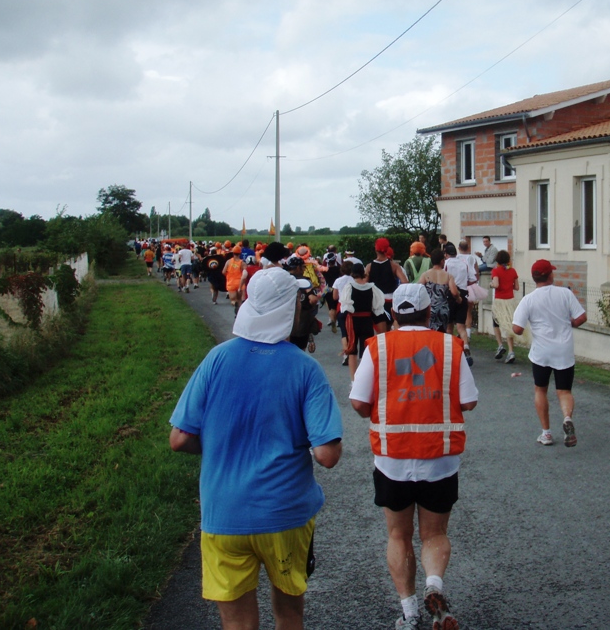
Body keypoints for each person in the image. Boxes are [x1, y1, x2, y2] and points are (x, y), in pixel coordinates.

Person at [169, 267, 343, 630]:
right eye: (297, 301)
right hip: (285, 514)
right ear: (287, 309)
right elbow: (327, 455)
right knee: (289, 615)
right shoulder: (305, 369)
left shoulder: (216, 359)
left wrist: (220, 443)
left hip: (224, 514)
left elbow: (180, 438)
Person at [349, 284, 478, 630]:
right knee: (434, 534)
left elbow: (359, 403)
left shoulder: (377, 348)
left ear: (394, 313)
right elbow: (468, 401)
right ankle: (434, 585)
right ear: (429, 313)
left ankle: (408, 612)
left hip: (392, 458)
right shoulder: (451, 346)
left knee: (398, 536)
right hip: (440, 457)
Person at [512, 259, 587, 447]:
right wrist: (570, 323)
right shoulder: (564, 293)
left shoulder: (528, 299)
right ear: (550, 275)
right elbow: (581, 317)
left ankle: (546, 433)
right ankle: (567, 418)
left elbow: (517, 329)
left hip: (541, 352)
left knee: (540, 389)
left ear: (534, 277)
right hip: (564, 350)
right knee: (564, 391)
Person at [340, 262, 386, 380]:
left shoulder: (349, 287)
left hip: (353, 322)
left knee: (352, 353)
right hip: (367, 321)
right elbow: (377, 309)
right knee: (366, 353)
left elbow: (345, 309)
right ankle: (365, 380)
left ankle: (354, 381)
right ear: (363, 273)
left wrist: (343, 333)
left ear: (352, 274)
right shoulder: (372, 288)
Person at [490, 250, 529, 364]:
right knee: (509, 325)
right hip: (510, 301)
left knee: (496, 323)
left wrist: (491, 284)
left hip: (499, 301)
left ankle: (500, 345)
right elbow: (516, 287)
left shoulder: (495, 271)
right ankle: (511, 351)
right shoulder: (512, 271)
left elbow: (496, 284)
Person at [442, 243, 472, 366]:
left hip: (451, 293)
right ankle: (465, 346)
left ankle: (449, 351)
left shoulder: (447, 263)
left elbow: (444, 277)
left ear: (446, 254)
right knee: (461, 326)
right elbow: (471, 279)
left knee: (449, 326)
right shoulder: (464, 263)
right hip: (464, 293)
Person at [366, 237, 409, 322]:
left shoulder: (369, 267)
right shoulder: (394, 266)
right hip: (391, 300)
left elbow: (364, 284)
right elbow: (405, 282)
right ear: (387, 249)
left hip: (376, 302)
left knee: (380, 332)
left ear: (376, 249)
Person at [419, 249, 461, 333]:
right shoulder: (448, 276)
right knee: (441, 334)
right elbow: (454, 292)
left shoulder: (425, 275)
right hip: (443, 309)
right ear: (442, 261)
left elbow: (418, 290)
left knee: (428, 333)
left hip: (429, 309)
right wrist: (459, 299)